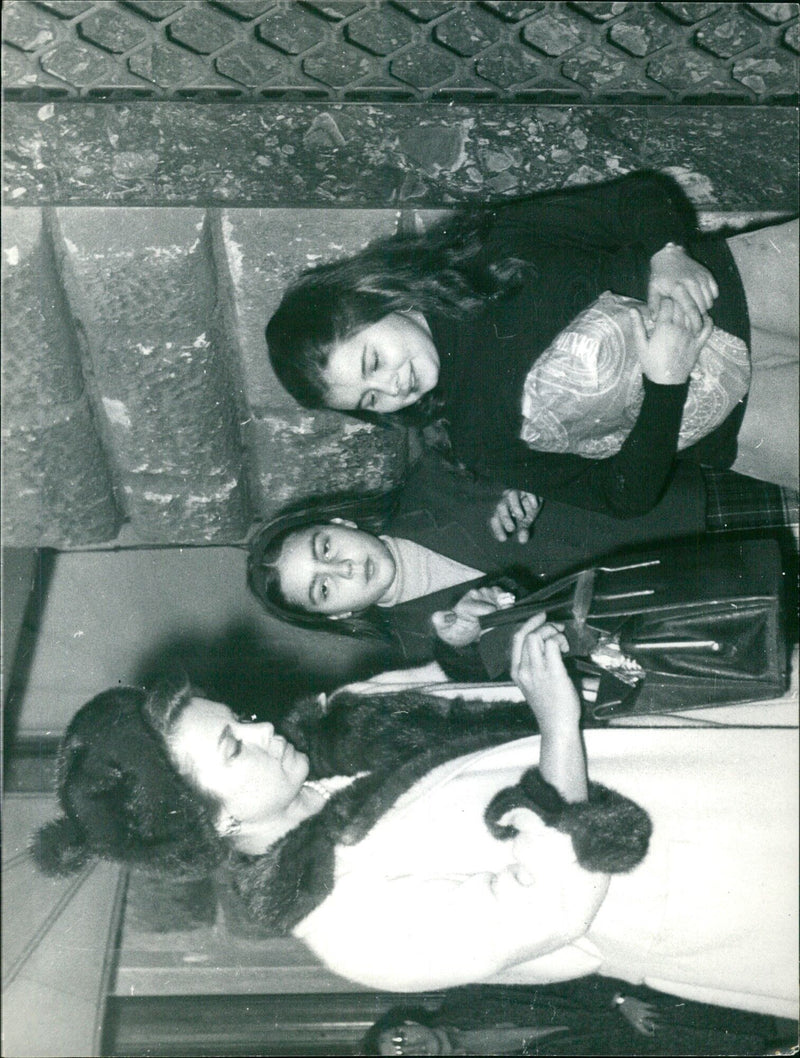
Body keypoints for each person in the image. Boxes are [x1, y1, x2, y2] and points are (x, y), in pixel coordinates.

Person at [33, 615, 798, 1019]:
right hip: (707, 887)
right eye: (236, 747)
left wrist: (467, 637)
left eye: (244, 717)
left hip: (706, 755)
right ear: (214, 824)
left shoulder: (342, 725)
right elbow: (553, 905)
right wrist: (558, 730)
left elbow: (465, 683)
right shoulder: (346, 927)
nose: (268, 731)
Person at [266, 170, 799, 515]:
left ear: (383, 298)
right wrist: (665, 385)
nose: (391, 387)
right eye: (369, 400)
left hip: (742, 287)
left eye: (372, 361)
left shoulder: (493, 248)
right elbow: (622, 495)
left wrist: (666, 252)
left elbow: (635, 196)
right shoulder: (478, 443)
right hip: (744, 420)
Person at [361, 979, 789, 1056]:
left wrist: (621, 1000)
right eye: (402, 1055)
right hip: (639, 1051)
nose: (412, 1047)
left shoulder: (470, 995)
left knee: (756, 1004)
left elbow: (559, 978)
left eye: (399, 1038)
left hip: (637, 1006)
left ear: (409, 1022)